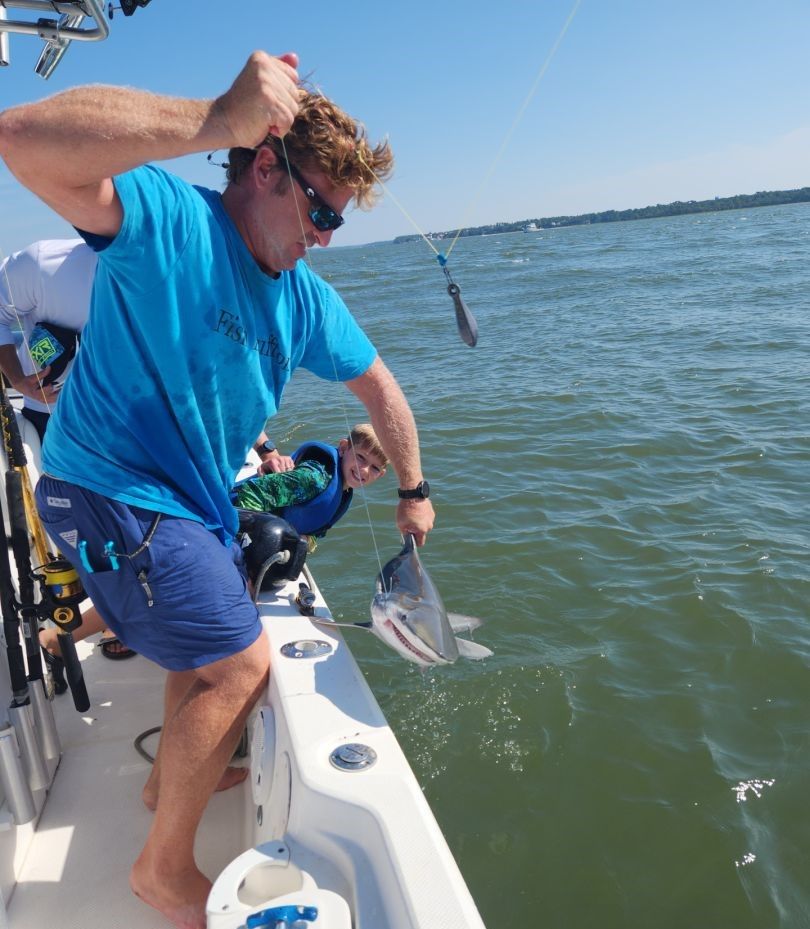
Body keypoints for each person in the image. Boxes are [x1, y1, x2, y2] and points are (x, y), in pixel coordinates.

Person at [0, 51, 434, 929]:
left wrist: (415, 490)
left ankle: (169, 781)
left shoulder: (303, 299)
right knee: (241, 661)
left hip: (183, 508)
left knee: (215, 615)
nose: (321, 235)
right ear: (264, 166)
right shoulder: (168, 220)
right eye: (317, 209)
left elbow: (381, 387)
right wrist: (214, 116)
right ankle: (162, 872)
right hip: (100, 487)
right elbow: (20, 141)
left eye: (335, 224)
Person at [0, 239, 137, 662]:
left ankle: (113, 616)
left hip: (123, 417)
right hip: (51, 411)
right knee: (72, 522)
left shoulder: (173, 279)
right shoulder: (43, 263)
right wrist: (19, 379)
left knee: (126, 521)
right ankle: (82, 616)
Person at [235, 422, 388, 540]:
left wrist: (307, 541)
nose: (365, 470)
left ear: (381, 474)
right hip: (227, 517)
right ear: (343, 448)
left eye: (375, 468)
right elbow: (252, 493)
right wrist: (251, 539)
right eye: (360, 457)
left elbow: (317, 531)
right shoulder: (315, 478)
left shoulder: (344, 492)